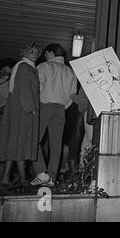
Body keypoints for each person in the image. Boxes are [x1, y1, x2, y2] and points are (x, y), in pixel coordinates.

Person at [0, 43, 42, 187]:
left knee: (16, 144)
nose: (35, 54)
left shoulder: (26, 66)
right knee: (20, 143)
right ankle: (21, 178)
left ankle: (8, 178)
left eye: (37, 52)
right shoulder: (25, 67)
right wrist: (31, 109)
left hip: (19, 110)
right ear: (24, 53)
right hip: (22, 111)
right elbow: (24, 90)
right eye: (31, 52)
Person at [31, 44, 77, 186]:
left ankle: (41, 172)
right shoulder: (70, 71)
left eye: (45, 54)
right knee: (56, 145)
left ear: (50, 53)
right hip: (61, 109)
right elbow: (72, 94)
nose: (44, 56)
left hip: (44, 106)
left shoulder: (44, 67)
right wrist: (62, 106)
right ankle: (51, 177)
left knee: (33, 140)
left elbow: (36, 87)